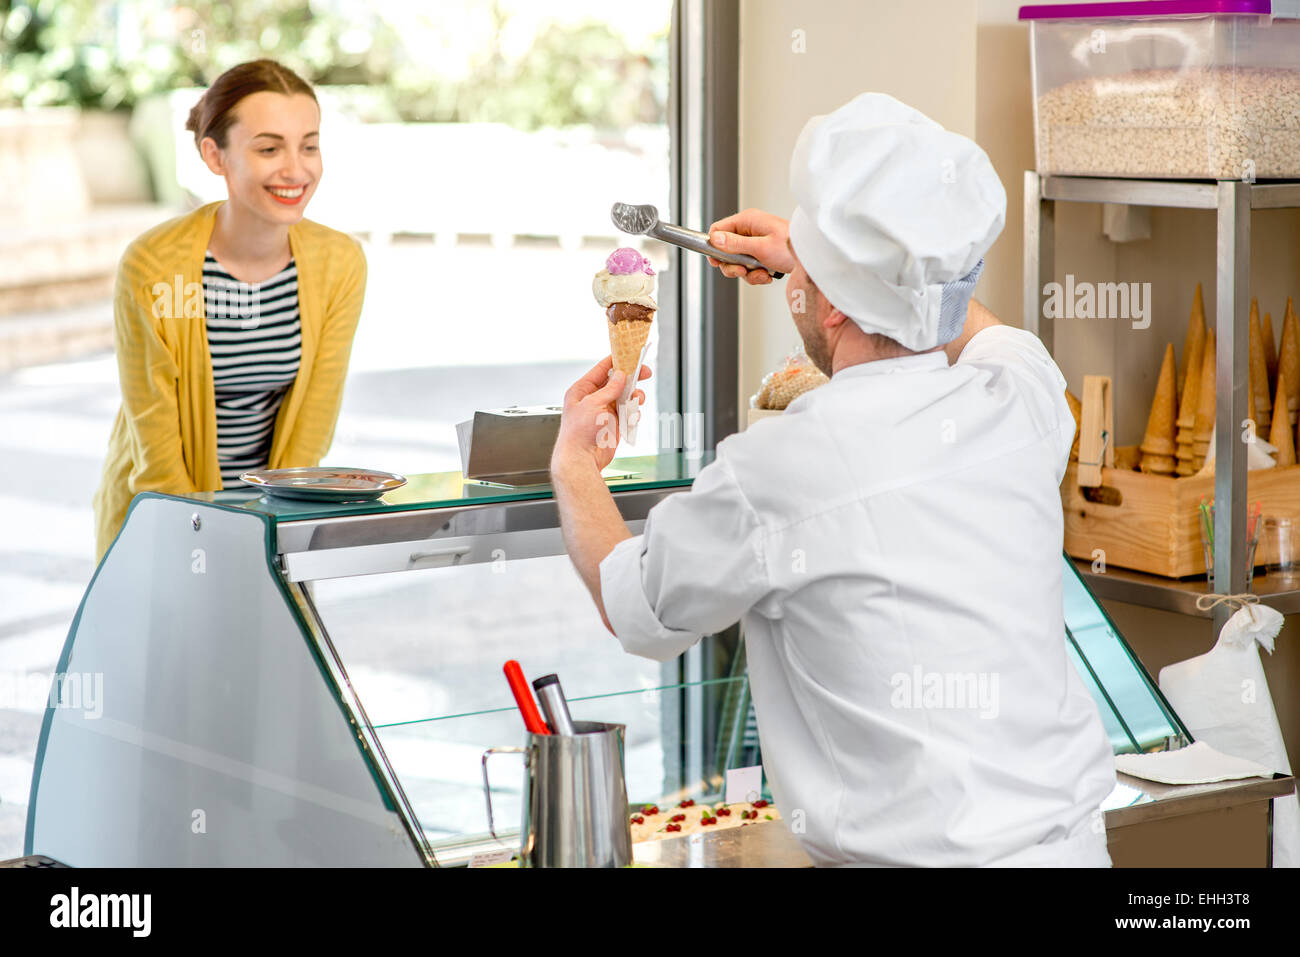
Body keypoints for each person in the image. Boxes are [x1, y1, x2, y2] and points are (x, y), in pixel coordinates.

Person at [550, 92, 1116, 866]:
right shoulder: (1021, 403)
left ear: (826, 302)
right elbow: (976, 323)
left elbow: (638, 608)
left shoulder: (782, 467)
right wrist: (835, 261)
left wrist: (574, 464)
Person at [92, 59, 366, 560]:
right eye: (269, 148)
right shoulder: (154, 265)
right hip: (160, 515)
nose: (296, 168)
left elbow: (312, 425)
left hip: (269, 518)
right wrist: (197, 546)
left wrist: (270, 535)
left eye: (309, 145)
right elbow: (155, 443)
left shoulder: (339, 263)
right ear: (215, 156)